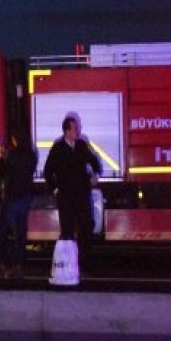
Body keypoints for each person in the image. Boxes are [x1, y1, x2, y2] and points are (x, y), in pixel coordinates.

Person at [43, 114, 102, 269]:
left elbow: (94, 160)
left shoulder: (82, 145)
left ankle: (85, 262)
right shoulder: (58, 148)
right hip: (66, 196)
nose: (78, 130)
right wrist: (55, 189)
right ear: (67, 131)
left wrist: (96, 174)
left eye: (78, 128)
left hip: (83, 194)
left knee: (86, 228)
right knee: (67, 230)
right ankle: (68, 263)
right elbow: (47, 171)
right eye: (75, 128)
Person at [0, 132, 38, 281]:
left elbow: (0, 174)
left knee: (1, 232)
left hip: (11, 198)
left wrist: (2, 157)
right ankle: (18, 267)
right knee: (21, 234)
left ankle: (0, 266)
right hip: (25, 198)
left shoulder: (11, 155)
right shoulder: (32, 156)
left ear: (15, 139)